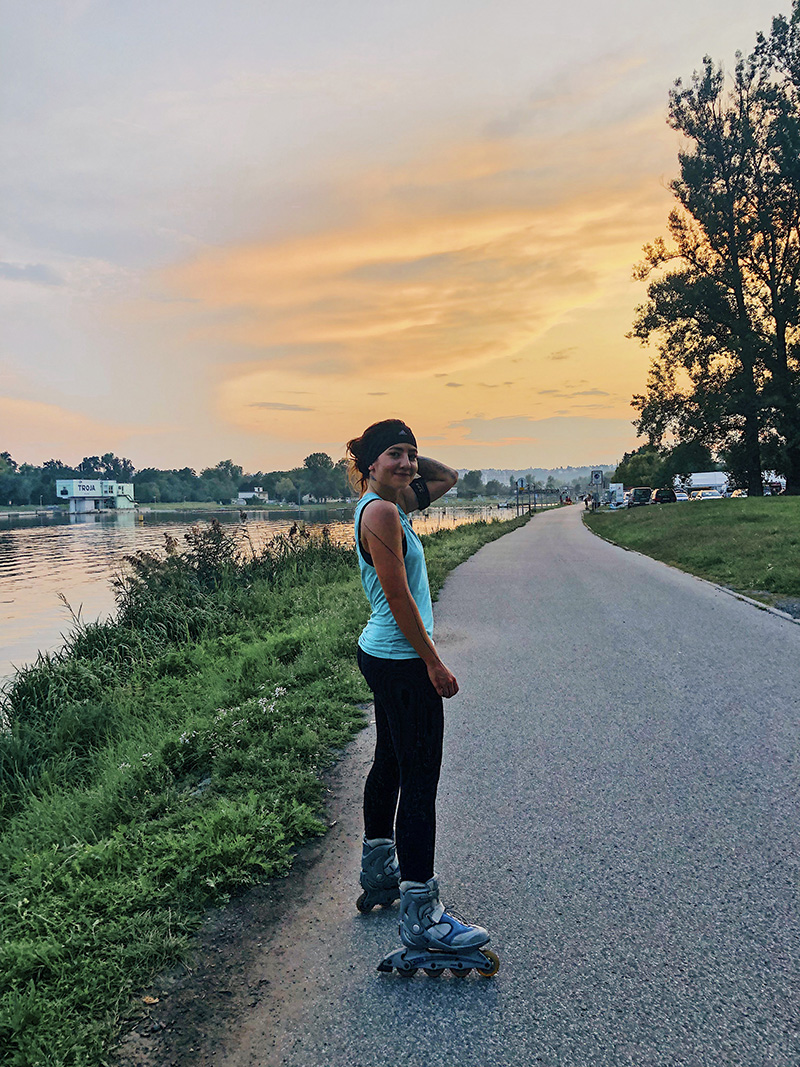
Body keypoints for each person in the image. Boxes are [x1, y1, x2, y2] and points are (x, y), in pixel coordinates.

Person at [346, 418, 491, 957]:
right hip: (404, 661)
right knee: (420, 780)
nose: (408, 463)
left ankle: (380, 869)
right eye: (395, 455)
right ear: (369, 464)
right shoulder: (384, 512)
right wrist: (434, 663)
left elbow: (447, 476)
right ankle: (422, 918)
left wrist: (402, 460)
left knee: (390, 761)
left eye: (411, 454)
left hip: (381, 654)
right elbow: (400, 597)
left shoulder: (387, 504)